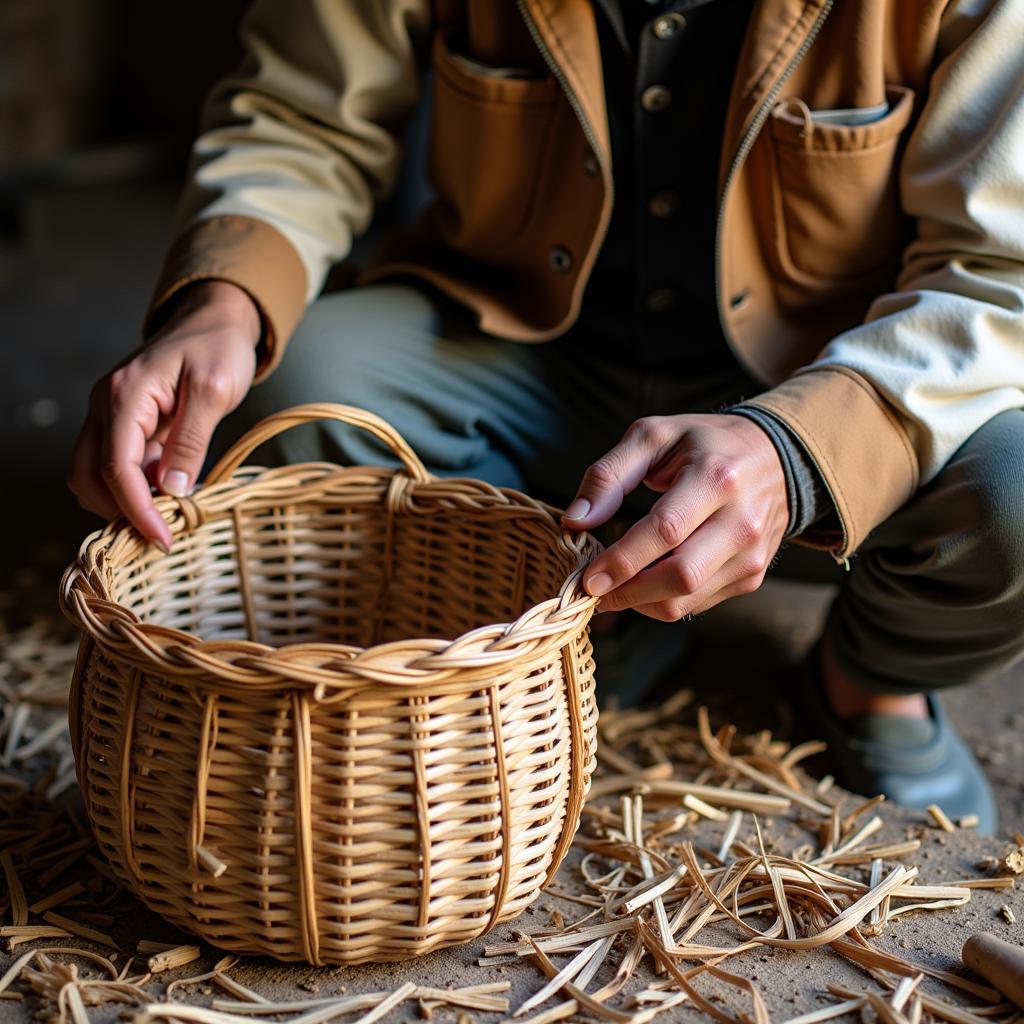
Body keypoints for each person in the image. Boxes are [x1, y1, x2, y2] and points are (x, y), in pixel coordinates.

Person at [67, 1, 1024, 833]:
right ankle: (568, 608)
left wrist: (800, 445)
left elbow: (995, 269)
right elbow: (301, 118)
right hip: (524, 347)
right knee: (296, 387)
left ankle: (872, 683)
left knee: (1014, 485)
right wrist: (224, 303)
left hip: (826, 371)